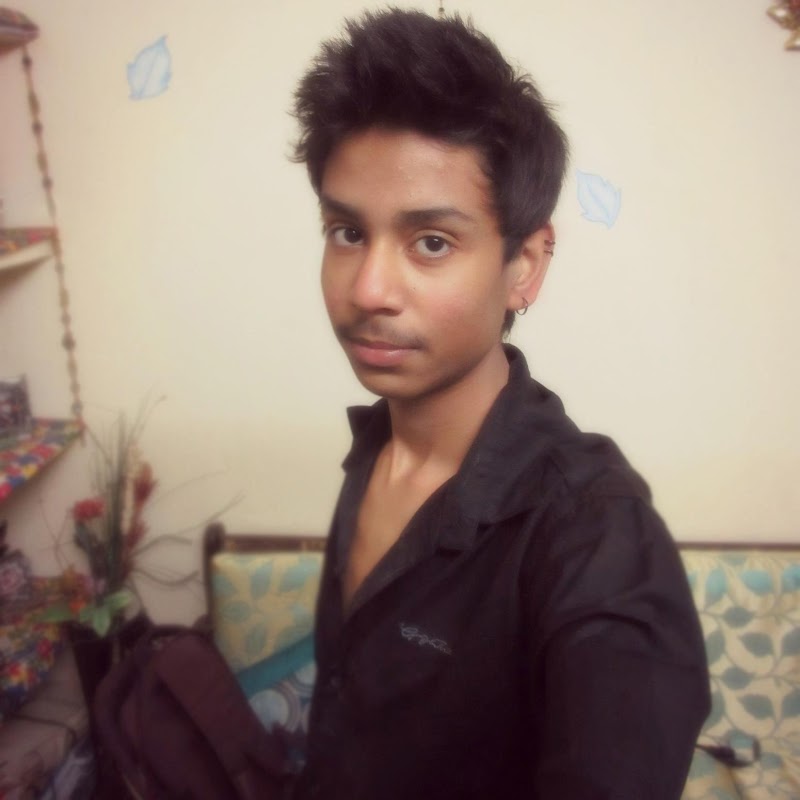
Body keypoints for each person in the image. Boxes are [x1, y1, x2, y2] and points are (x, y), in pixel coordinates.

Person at [288, 8, 710, 798]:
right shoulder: (376, 447)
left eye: (432, 242)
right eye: (347, 232)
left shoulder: (592, 535)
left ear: (526, 265)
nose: (368, 289)